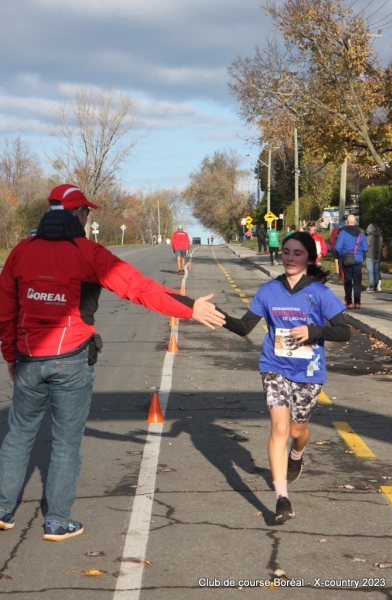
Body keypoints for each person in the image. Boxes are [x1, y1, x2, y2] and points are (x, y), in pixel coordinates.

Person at [0, 184, 225, 541]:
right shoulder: (88, 252)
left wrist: (11, 355)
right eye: (86, 212)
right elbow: (139, 288)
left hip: (28, 359)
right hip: (71, 361)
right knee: (65, 441)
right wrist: (188, 308)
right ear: (77, 214)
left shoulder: (21, 251)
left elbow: (6, 309)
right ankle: (57, 521)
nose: (88, 218)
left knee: (18, 435)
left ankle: (2, 509)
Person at [219, 232, 350, 522]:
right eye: (286, 252)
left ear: (309, 258)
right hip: (274, 365)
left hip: (309, 370)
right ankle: (282, 499)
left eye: (297, 253)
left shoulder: (320, 293)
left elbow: (344, 332)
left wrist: (314, 331)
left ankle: (297, 453)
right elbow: (244, 327)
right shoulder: (268, 291)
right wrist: (217, 315)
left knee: (295, 431)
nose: (290, 258)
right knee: (279, 427)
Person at [335, 214, 368, 309]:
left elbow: (338, 247)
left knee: (347, 281)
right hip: (358, 260)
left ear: (346, 222)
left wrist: (342, 255)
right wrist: (359, 253)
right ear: (355, 222)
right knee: (357, 281)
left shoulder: (343, 233)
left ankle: (349, 303)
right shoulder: (361, 234)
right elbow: (366, 248)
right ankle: (357, 302)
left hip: (346, 259)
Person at [365, 223, 383, 293]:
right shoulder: (380, 238)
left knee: (370, 272)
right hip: (377, 256)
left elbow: (366, 246)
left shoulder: (368, 238)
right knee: (376, 271)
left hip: (370, 256)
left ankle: (371, 286)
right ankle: (375, 285)